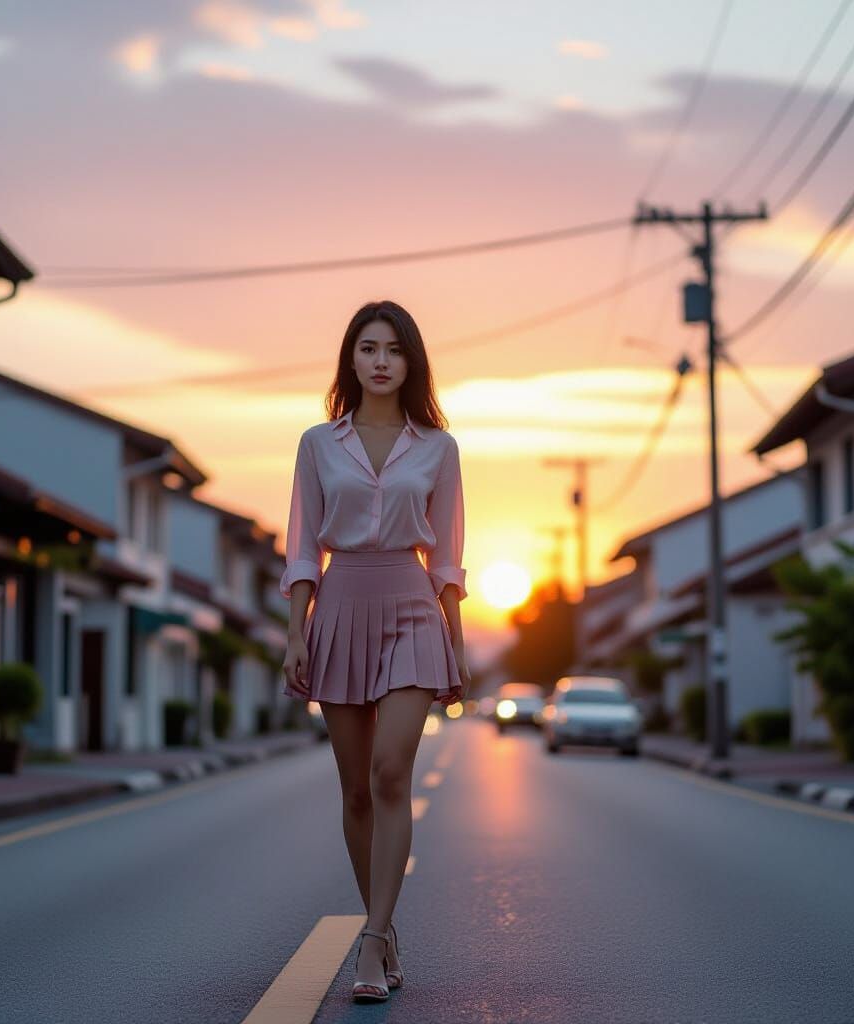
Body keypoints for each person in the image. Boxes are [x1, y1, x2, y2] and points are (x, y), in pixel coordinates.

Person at [279, 299, 472, 1003]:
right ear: (351, 359)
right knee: (356, 788)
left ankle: (369, 940)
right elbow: (302, 546)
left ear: (411, 360)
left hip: (412, 607)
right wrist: (297, 630)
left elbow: (447, 556)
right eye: (368, 348)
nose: (381, 360)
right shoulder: (317, 443)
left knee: (393, 772)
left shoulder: (440, 448)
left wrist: (457, 639)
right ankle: (384, 930)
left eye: (393, 349)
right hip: (340, 604)